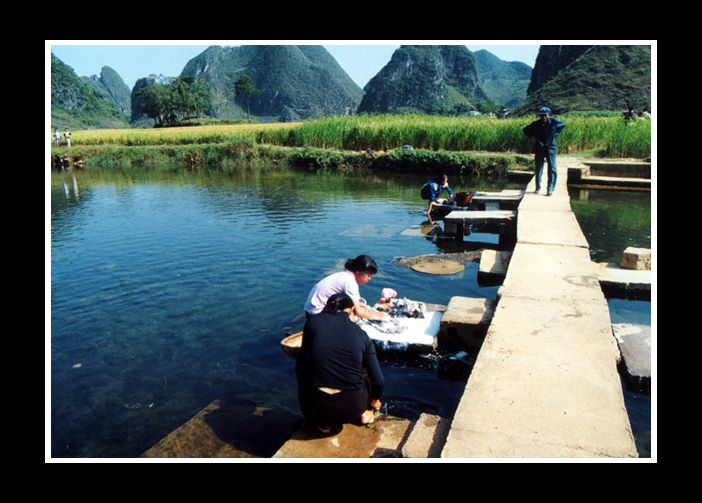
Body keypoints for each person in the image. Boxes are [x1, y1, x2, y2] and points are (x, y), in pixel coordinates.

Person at [296, 293, 385, 432]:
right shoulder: (362, 334)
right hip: (352, 409)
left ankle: (324, 424)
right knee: (364, 375)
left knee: (306, 370)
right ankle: (366, 413)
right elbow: (379, 381)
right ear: (350, 311)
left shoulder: (313, 322)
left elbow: (300, 366)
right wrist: (373, 401)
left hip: (316, 408)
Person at [304, 255, 390, 321]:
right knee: (353, 318)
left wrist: (357, 305)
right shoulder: (350, 282)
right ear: (359, 271)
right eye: (368, 275)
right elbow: (358, 312)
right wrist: (379, 315)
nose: (369, 278)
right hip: (316, 314)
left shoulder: (346, 275)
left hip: (309, 310)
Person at [522, 107, 565, 196]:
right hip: (539, 146)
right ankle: (538, 187)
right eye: (541, 115)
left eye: (545, 115)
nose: (543, 117)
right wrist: (534, 136)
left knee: (552, 167)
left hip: (550, 146)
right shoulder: (536, 124)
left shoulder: (554, 122)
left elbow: (562, 125)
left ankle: (550, 188)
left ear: (548, 114)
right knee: (538, 167)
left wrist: (554, 135)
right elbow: (526, 130)